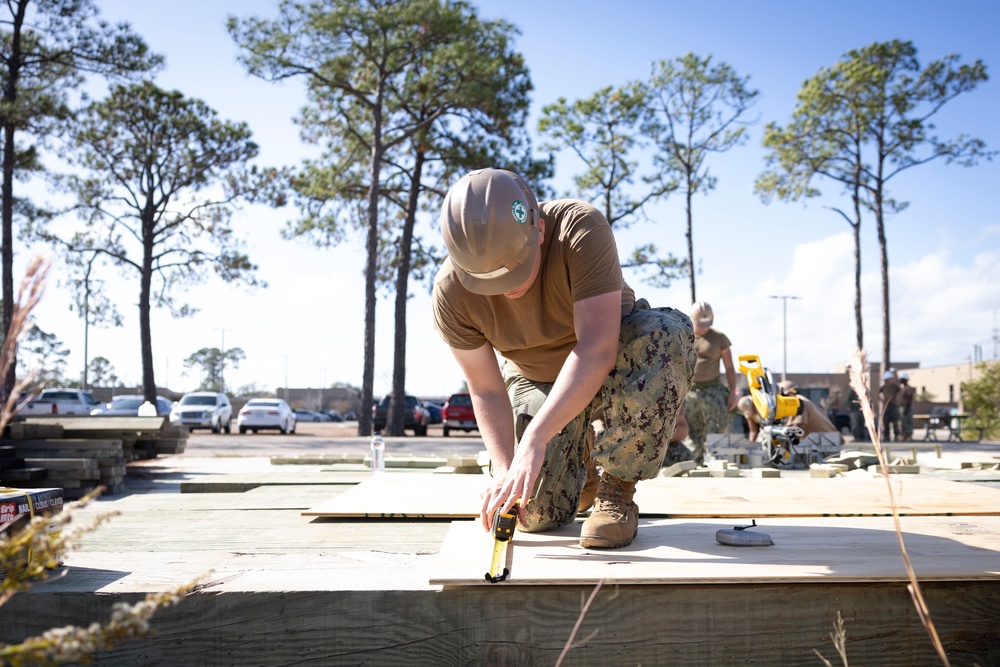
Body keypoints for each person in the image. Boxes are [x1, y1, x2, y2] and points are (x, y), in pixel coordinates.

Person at [431, 168, 695, 550]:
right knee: (534, 515)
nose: (507, 291)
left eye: (515, 273)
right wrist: (507, 470)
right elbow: (486, 389)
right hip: (537, 380)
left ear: (538, 229)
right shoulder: (449, 294)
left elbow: (595, 349)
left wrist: (536, 438)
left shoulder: (579, 229)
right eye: (490, 282)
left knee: (664, 334)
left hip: (613, 366)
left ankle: (616, 490)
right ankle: (581, 461)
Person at [683, 301, 739, 464]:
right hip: (689, 392)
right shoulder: (684, 336)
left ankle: (715, 462)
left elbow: (729, 367)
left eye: (706, 325)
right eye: (700, 324)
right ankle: (693, 462)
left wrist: (733, 391)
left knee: (715, 429)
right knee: (692, 432)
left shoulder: (719, 338)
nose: (703, 328)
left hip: (712, 390)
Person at [878, 369, 900, 442]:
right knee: (886, 422)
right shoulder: (884, 386)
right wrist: (882, 400)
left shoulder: (895, 386)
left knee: (895, 422)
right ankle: (886, 436)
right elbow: (878, 394)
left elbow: (900, 392)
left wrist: (896, 401)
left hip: (893, 406)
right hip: (886, 406)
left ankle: (897, 436)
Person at [896, 372, 916, 441]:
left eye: (902, 379)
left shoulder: (908, 388)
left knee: (908, 421)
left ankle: (909, 436)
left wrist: (907, 408)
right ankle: (904, 435)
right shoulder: (902, 388)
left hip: (906, 407)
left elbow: (910, 398)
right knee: (903, 422)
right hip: (901, 407)